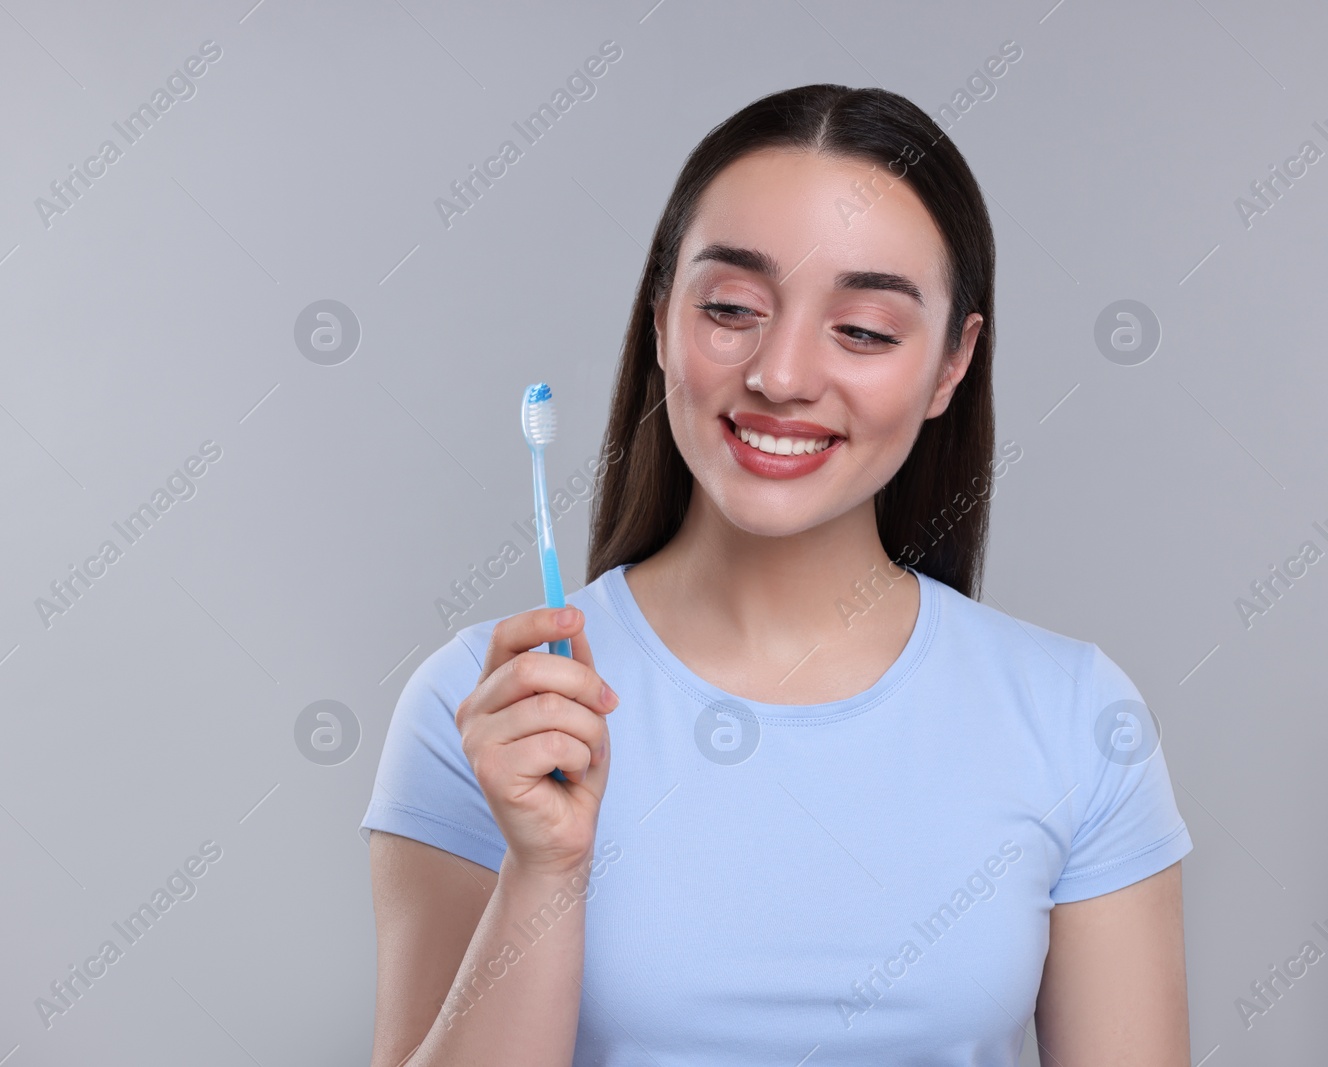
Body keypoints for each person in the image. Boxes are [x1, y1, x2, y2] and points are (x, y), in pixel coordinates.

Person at [361, 84, 1193, 1066]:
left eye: (865, 330)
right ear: (664, 315)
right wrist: (545, 869)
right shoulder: (490, 706)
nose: (783, 372)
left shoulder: (1071, 715)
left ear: (949, 365)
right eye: (732, 308)